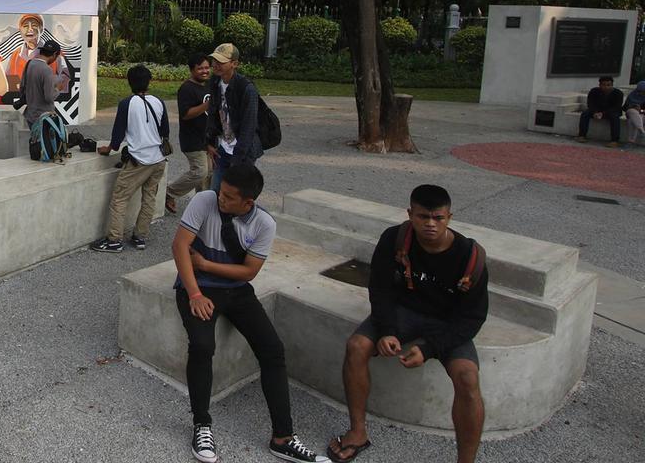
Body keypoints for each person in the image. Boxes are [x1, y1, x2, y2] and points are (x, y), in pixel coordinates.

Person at [172, 164, 327, 463]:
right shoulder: (204, 200)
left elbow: (248, 272)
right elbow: (180, 246)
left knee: (273, 350)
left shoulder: (264, 224)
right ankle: (202, 424)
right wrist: (194, 293)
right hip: (198, 287)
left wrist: (206, 265)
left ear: (249, 202)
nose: (221, 199)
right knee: (203, 345)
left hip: (235, 289)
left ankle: (283, 437)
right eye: (221, 192)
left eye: (230, 197)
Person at [327, 184, 488, 463]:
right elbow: (380, 289)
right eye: (423, 216)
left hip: (446, 322)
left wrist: (429, 348)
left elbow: (472, 318)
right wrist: (387, 330)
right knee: (357, 346)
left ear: (450, 217)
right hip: (403, 313)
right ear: (410, 214)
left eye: (438, 218)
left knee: (467, 377)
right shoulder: (395, 239)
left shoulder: (470, 256)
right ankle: (357, 432)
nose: (430, 224)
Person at [89, 65, 169, 253]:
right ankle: (140, 236)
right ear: (149, 82)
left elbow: (117, 135)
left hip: (139, 160)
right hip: (158, 159)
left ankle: (114, 240)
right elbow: (165, 131)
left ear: (129, 82)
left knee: (119, 198)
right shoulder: (158, 101)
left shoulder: (127, 103)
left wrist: (108, 149)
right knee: (149, 198)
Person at [205, 43, 263, 189]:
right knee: (216, 192)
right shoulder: (215, 82)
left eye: (221, 62)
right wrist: (210, 142)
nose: (216, 65)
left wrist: (238, 158)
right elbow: (213, 113)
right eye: (214, 61)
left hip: (242, 152)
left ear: (234, 64)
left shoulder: (246, 88)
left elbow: (249, 126)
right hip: (223, 148)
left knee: (237, 194)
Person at [166, 53, 213, 214]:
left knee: (208, 174)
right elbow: (186, 114)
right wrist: (207, 105)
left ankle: (202, 205)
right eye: (200, 68)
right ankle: (169, 192)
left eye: (207, 67)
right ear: (192, 70)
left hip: (207, 138)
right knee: (200, 171)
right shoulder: (186, 89)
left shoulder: (208, 85)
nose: (205, 71)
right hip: (192, 138)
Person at [6, 13, 70, 94]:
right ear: (20, 30)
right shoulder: (14, 55)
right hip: (21, 103)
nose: (30, 29)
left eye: (34, 25)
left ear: (42, 29)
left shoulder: (55, 53)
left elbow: (65, 77)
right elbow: (7, 81)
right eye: (25, 26)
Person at [21, 39, 64, 127]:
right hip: (44, 117)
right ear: (54, 54)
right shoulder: (47, 70)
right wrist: (57, 89)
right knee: (46, 140)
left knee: (34, 140)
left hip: (30, 115)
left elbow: (22, 87)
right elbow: (49, 97)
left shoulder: (30, 64)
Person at [575, 76, 624, 147]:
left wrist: (603, 113)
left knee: (615, 117)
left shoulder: (618, 93)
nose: (606, 87)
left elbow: (616, 107)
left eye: (609, 85)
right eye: (604, 85)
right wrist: (595, 112)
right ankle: (581, 136)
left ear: (612, 85)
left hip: (611, 112)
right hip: (596, 111)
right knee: (585, 114)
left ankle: (614, 140)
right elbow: (590, 103)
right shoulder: (594, 91)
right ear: (600, 85)